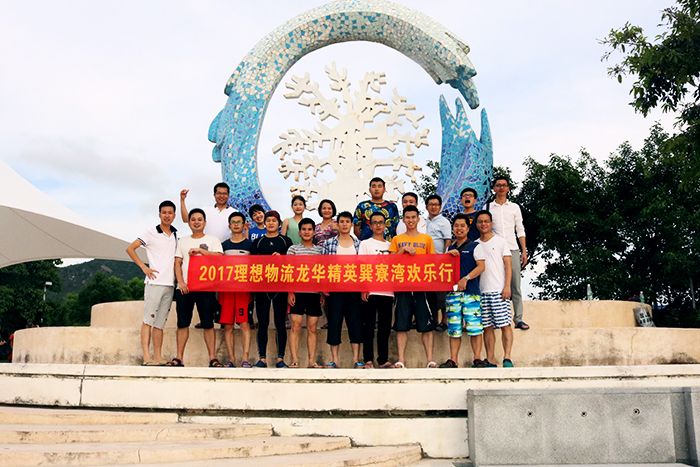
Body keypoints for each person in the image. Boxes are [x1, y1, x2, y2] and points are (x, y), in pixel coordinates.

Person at [126, 200, 178, 366]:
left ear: (174, 215)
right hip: (154, 283)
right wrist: (143, 267)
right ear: (159, 214)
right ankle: (146, 356)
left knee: (160, 323)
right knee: (148, 320)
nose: (167, 215)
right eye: (164, 212)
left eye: (170, 212)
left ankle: (158, 356)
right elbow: (130, 248)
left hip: (170, 284)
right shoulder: (150, 232)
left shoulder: (175, 235)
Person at [169, 208, 223, 367]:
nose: (196, 222)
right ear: (189, 222)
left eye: (200, 219)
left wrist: (200, 251)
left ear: (205, 222)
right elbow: (177, 263)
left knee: (208, 324)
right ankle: (179, 357)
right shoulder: (183, 241)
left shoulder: (213, 240)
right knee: (182, 323)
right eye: (193, 219)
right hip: (185, 288)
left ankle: (212, 358)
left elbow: (220, 258)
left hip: (206, 287)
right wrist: (181, 282)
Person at [389, 205, 437, 368]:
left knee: (426, 325)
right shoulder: (397, 240)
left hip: (422, 286)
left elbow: (433, 262)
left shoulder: (426, 239)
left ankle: (430, 359)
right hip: (402, 286)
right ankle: (401, 360)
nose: (410, 220)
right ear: (403, 220)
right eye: (407, 217)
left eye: (413, 217)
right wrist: (402, 250)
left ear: (418, 219)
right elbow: (390, 262)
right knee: (401, 325)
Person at [439, 213, 486, 368]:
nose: (459, 228)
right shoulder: (449, 248)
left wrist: (466, 278)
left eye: (462, 226)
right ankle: (453, 360)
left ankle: (477, 358)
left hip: (471, 293)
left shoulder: (475, 246)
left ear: (468, 228)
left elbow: (481, 266)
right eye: (456, 226)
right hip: (452, 295)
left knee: (474, 327)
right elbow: (442, 269)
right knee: (454, 328)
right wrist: (447, 255)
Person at [251, 210, 293, 368]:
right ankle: (262, 358)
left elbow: (292, 264)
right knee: (262, 323)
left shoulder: (285, 241)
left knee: (280, 323)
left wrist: (282, 259)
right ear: (264, 223)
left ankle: (280, 359)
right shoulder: (258, 242)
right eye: (268, 221)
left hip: (280, 287)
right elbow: (252, 264)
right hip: (263, 287)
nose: (270, 223)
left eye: (274, 221)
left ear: (278, 223)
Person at [486, 176, 529, 330]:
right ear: (494, 188)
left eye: (504, 185)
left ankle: (518, 318)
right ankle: (496, 319)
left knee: (515, 284)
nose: (501, 188)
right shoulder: (488, 207)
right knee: (495, 284)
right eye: (498, 185)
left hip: (512, 248)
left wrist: (524, 250)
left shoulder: (514, 207)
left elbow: (520, 229)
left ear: (508, 188)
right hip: (494, 250)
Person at [322, 211, 362, 368]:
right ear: (337, 224)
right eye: (342, 221)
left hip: (354, 290)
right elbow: (323, 266)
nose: (344, 224)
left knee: (355, 324)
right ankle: (335, 360)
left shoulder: (359, 244)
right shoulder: (329, 244)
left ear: (352, 224)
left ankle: (356, 360)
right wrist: (324, 285)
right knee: (334, 323)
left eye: (347, 221)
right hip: (335, 290)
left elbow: (363, 267)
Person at [474, 210, 514, 368]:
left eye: (486, 221)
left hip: (499, 290)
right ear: (477, 225)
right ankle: (490, 359)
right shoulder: (475, 244)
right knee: (487, 327)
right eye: (480, 222)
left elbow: (508, 265)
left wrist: (507, 286)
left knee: (505, 324)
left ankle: (507, 357)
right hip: (482, 292)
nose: (483, 224)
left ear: (491, 223)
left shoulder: (500, 242)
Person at [359, 212, 394, 369]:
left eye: (381, 222)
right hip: (370, 291)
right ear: (370, 225)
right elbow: (361, 266)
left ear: (385, 225)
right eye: (375, 222)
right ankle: (368, 359)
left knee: (384, 328)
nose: (378, 225)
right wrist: (364, 287)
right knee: (368, 326)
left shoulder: (391, 245)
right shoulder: (365, 244)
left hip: (388, 291)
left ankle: (383, 360)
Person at [287, 218, 323, 368]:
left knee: (312, 328)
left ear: (314, 232)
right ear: (299, 232)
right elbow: (288, 271)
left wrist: (322, 293)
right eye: (304, 229)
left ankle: (311, 361)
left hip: (314, 294)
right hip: (297, 293)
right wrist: (290, 291)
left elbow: (323, 273)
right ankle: (294, 360)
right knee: (295, 326)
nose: (307, 232)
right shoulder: (293, 249)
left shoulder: (320, 251)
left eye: (309, 229)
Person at [219, 212, 254, 368]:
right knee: (228, 326)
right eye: (233, 222)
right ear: (229, 225)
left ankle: (245, 358)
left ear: (243, 224)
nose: (236, 224)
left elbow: (256, 266)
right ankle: (231, 359)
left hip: (243, 291)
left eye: (239, 222)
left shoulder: (250, 245)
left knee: (244, 324)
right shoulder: (223, 246)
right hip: (226, 290)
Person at [425, 194, 453, 332]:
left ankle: (444, 320)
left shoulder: (444, 222)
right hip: (426, 262)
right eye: (431, 204)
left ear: (440, 207)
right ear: (426, 207)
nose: (433, 207)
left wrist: (445, 258)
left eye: (436, 204)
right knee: (431, 292)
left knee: (442, 293)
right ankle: (434, 319)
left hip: (440, 261)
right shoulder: (423, 222)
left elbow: (448, 241)